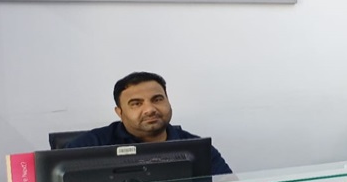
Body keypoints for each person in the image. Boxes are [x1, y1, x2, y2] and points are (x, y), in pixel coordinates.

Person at [65, 71, 232, 175]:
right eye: (136, 103)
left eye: (157, 99)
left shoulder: (197, 148)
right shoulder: (88, 146)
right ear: (119, 112)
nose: (150, 109)